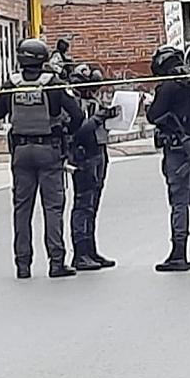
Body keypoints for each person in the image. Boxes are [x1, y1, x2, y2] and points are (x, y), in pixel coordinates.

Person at [0, 39, 85, 279]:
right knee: (52, 208)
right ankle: (56, 262)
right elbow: (77, 114)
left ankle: (23, 265)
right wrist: (67, 131)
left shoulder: (11, 83)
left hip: (21, 152)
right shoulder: (53, 83)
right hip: (49, 150)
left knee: (22, 209)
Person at [146, 45, 190, 272]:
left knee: (179, 200)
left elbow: (154, 115)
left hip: (178, 148)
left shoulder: (170, 85)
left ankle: (178, 253)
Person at [67, 64, 120, 271]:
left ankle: (90, 249)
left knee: (93, 205)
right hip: (83, 154)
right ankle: (80, 253)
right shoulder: (73, 103)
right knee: (83, 205)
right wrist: (101, 116)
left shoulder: (92, 101)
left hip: (99, 152)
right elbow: (79, 130)